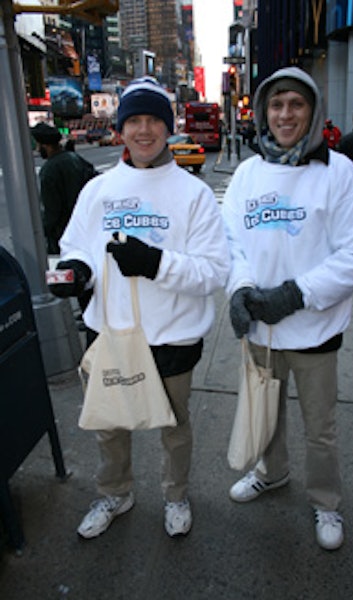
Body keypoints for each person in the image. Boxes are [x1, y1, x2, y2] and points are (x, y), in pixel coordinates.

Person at [47, 76, 230, 539]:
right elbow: (77, 246)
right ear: (121, 130)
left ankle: (175, 494)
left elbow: (214, 271)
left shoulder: (194, 194)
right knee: (110, 426)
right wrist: (76, 272)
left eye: (153, 120)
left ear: (169, 128)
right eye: (134, 121)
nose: (144, 130)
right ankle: (116, 492)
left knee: (174, 426)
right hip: (109, 332)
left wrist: (156, 263)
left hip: (171, 336)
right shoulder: (98, 189)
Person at [222, 66, 353, 551]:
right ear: (264, 113)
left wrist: (294, 294)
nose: (285, 114)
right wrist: (241, 289)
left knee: (320, 429)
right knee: (264, 416)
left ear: (311, 112)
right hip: (262, 331)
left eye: (296, 104)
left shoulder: (339, 172)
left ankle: (325, 501)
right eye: (276, 105)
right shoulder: (247, 174)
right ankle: (272, 473)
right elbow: (230, 242)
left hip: (315, 330)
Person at [31, 122, 97, 255]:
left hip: (63, 235)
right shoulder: (75, 158)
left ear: (45, 145)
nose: (38, 150)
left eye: (39, 146)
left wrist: (40, 232)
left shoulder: (49, 170)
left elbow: (52, 211)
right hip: (85, 228)